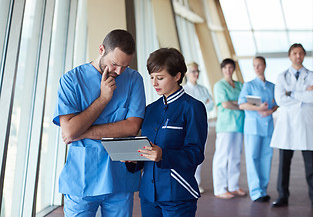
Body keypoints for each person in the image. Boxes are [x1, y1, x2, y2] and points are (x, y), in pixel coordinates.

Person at [53, 29, 146, 216]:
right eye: (114, 64)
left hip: (119, 179)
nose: (119, 71)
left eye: (124, 66)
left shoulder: (134, 79)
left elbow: (132, 126)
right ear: (101, 49)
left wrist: (84, 131)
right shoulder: (71, 81)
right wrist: (103, 99)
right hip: (82, 179)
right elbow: (70, 131)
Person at [135, 48, 208, 216]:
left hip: (177, 193)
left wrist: (163, 155)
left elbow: (196, 154)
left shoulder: (192, 108)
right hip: (148, 195)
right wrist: (132, 159)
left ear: (177, 76)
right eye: (152, 77)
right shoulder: (150, 110)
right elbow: (146, 150)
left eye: (160, 78)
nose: (154, 83)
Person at [270, 43, 313, 210]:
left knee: (311, 165)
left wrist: (290, 93)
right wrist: (301, 94)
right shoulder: (281, 77)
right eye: (294, 53)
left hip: (305, 125)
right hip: (287, 125)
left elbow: (312, 96)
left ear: (304, 55)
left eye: (300, 53)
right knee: (284, 165)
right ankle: (282, 196)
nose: (298, 56)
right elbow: (280, 100)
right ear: (290, 56)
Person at [238, 56, 278, 202]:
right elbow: (242, 104)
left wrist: (270, 111)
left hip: (267, 126)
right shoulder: (248, 85)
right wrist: (258, 108)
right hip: (253, 127)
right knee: (253, 158)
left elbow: (276, 103)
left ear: (265, 66)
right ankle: (256, 192)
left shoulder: (272, 86)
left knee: (266, 157)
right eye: (254, 65)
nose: (257, 68)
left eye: (259, 65)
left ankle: (263, 190)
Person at [212, 58, 246, 199]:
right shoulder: (219, 86)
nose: (228, 70)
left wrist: (235, 103)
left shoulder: (239, 85)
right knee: (222, 156)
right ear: (222, 69)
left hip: (239, 125)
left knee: (235, 157)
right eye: (225, 68)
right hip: (226, 126)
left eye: (231, 67)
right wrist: (239, 104)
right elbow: (225, 104)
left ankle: (233, 186)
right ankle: (220, 188)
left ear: (234, 69)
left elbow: (245, 101)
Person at [183, 61, 214, 193]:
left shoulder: (203, 89)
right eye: (193, 71)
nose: (196, 74)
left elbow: (211, 105)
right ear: (187, 73)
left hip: (201, 126)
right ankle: (185, 181)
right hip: (186, 127)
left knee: (198, 154)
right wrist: (202, 106)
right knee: (184, 154)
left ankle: (196, 182)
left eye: (197, 71)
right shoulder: (183, 89)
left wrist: (199, 108)